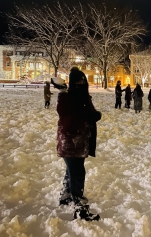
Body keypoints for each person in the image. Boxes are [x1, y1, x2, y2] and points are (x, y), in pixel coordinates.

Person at [56, 67, 101, 221]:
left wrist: (94, 115)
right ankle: (79, 208)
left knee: (72, 171)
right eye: (77, 81)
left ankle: (66, 195)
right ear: (72, 83)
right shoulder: (67, 98)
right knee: (77, 173)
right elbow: (65, 112)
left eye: (83, 80)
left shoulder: (83, 97)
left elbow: (89, 113)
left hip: (80, 141)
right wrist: (62, 92)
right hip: (70, 141)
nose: (81, 83)